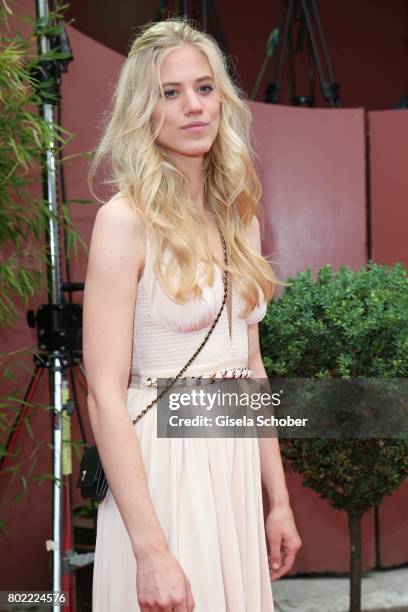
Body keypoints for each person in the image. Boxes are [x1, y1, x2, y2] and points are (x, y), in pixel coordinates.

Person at [83, 17, 302, 612]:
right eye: (170, 93)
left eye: (204, 88)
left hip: (229, 461)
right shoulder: (124, 222)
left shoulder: (241, 217)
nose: (193, 107)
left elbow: (251, 369)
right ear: (142, 111)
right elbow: (104, 393)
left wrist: (276, 499)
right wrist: (150, 550)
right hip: (163, 469)